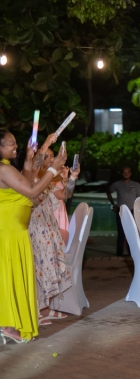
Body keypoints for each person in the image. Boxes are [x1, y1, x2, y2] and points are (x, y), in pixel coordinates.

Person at [1, 129, 67, 344]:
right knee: (10, 276)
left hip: (15, 230)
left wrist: (31, 161)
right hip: (9, 231)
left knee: (13, 276)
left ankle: (8, 323)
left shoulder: (7, 168)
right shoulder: (3, 169)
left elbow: (26, 181)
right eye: (10, 143)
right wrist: (52, 169)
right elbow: (31, 191)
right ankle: (7, 323)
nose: (15, 146)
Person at [29, 146, 73, 323]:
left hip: (49, 228)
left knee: (49, 268)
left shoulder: (48, 180)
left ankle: (45, 308)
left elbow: (65, 194)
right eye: (45, 157)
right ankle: (40, 310)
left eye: (51, 157)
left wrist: (70, 179)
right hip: (37, 228)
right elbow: (34, 199)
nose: (49, 160)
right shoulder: (31, 179)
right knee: (40, 268)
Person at [106, 166, 140, 256]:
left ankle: (133, 254)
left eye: (127, 172)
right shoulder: (117, 184)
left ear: (130, 173)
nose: (125, 174)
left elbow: (139, 198)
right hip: (121, 211)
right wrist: (112, 204)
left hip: (132, 211)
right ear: (122, 173)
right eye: (124, 172)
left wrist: (139, 210)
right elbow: (108, 191)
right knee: (121, 234)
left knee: (132, 234)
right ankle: (119, 255)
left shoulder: (136, 184)